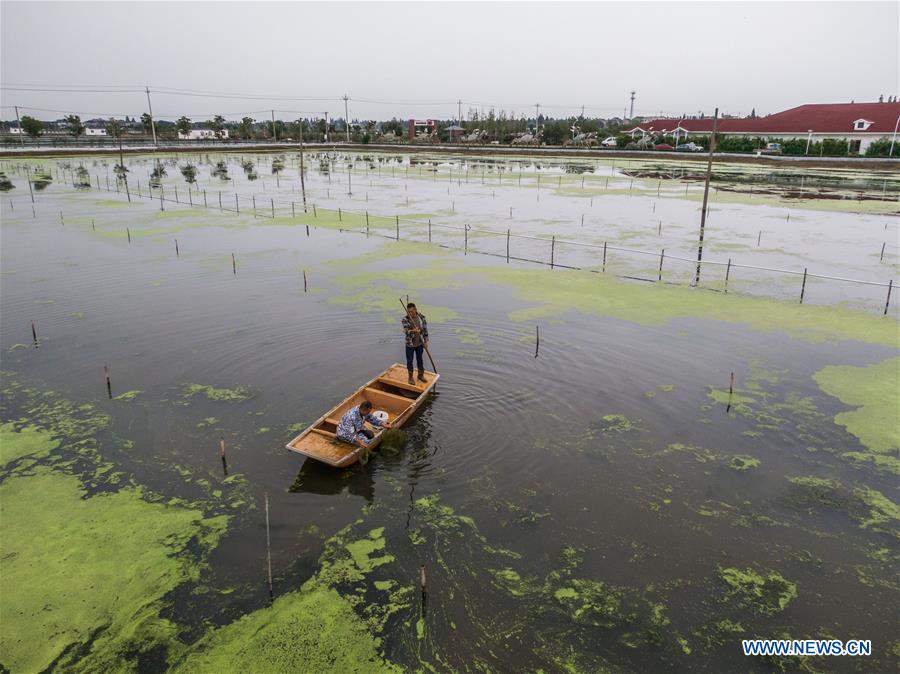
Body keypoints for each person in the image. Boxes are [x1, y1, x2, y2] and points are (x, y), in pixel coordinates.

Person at [402, 302, 429, 385]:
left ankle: (420, 375)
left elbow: (425, 330)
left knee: (420, 360)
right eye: (408, 312)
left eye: (412, 312)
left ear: (415, 310)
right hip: (410, 344)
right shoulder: (405, 319)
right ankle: (410, 377)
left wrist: (426, 341)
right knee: (410, 361)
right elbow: (406, 331)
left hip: (420, 344)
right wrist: (413, 330)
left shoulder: (421, 318)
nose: (410, 314)